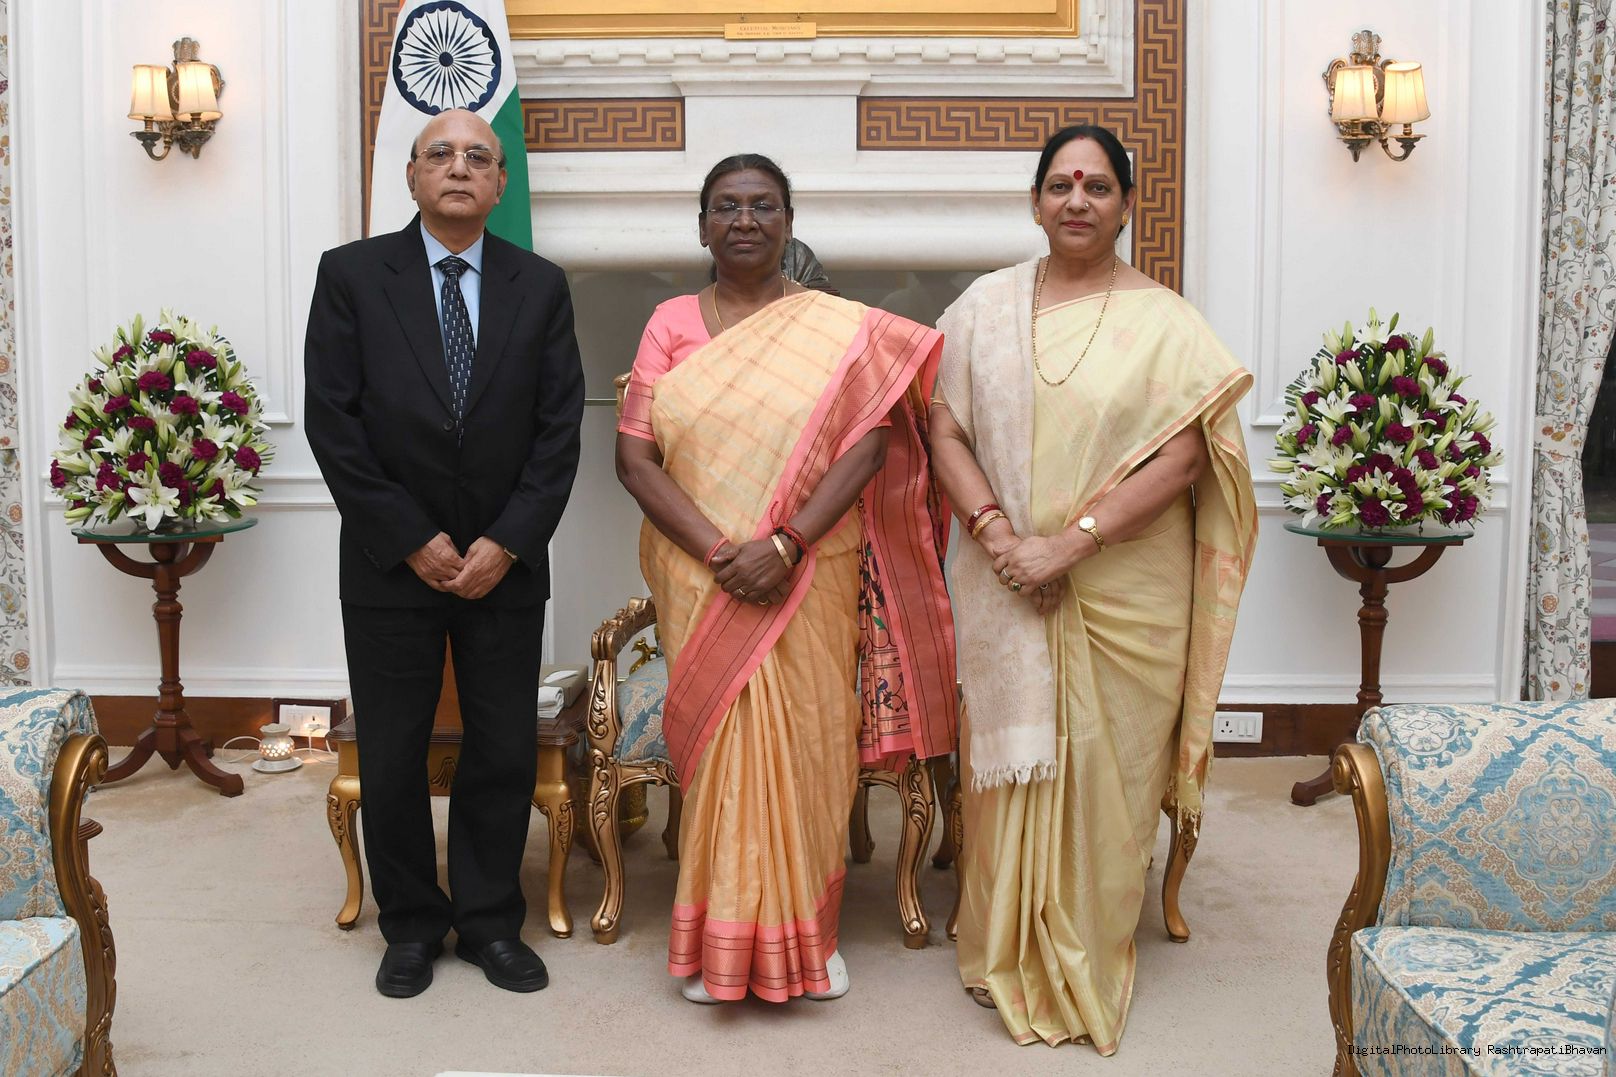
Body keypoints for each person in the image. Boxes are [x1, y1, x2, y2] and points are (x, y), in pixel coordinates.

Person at [930, 124, 1257, 1052]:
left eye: (1099, 186)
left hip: (1125, 589)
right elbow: (943, 429)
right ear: (1036, 202)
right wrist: (1000, 536)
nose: (1078, 200)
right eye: (1061, 184)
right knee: (1007, 766)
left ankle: (1088, 934)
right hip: (1003, 575)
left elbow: (1184, 458)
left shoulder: (1166, 321)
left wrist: (1066, 548)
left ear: (1125, 205)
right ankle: (1003, 935)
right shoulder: (983, 308)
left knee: (1111, 775)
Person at [615, 153, 957, 1005]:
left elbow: (868, 447)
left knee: (809, 742)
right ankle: (720, 943)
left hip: (810, 567)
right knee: (724, 749)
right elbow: (635, 457)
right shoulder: (668, 323)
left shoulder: (839, 328)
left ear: (789, 221)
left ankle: (811, 936)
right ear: (702, 226)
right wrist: (721, 551)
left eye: (763, 205)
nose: (745, 220)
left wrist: (788, 543)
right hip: (702, 574)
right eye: (726, 206)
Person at [304, 108, 584, 999]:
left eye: (478, 157)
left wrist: (508, 540)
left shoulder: (541, 285)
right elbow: (332, 422)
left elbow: (559, 431)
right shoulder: (351, 275)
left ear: (500, 183)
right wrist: (409, 538)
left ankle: (491, 921)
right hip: (389, 564)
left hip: (506, 564)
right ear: (413, 177)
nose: (459, 168)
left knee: (501, 747)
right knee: (392, 752)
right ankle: (412, 925)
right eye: (441, 155)